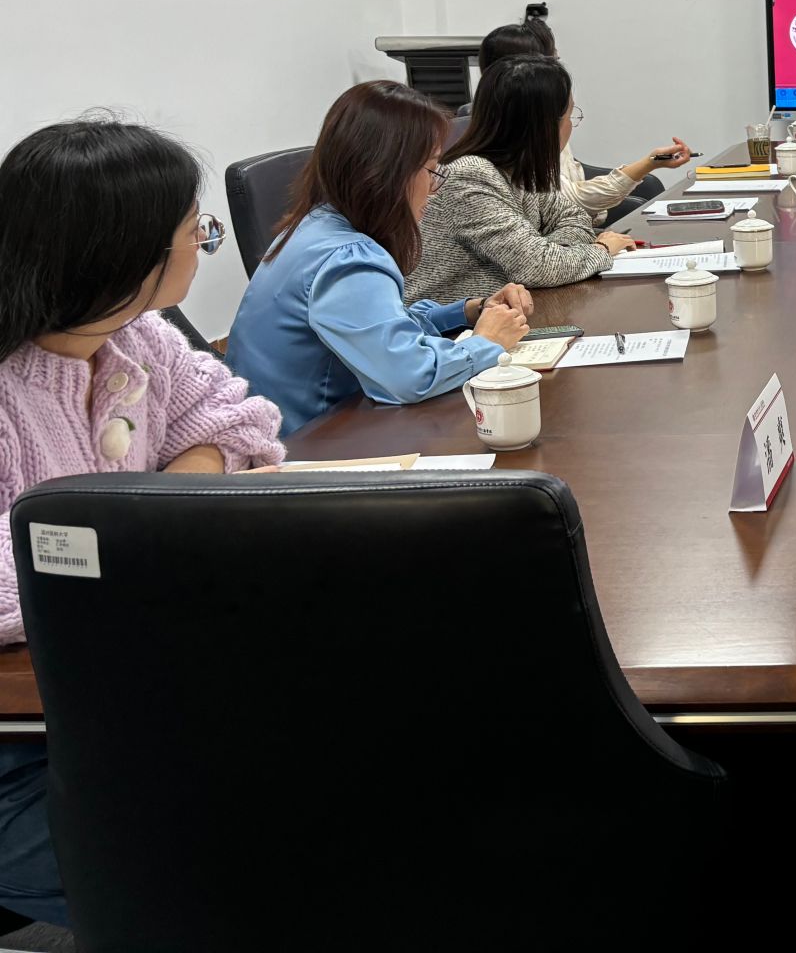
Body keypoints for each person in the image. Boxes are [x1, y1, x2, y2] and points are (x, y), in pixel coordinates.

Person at [0, 118, 287, 927]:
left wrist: (165, 507)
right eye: (197, 231)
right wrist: (148, 530)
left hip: (116, 707)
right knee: (239, 876)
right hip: (21, 750)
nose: (204, 244)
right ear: (125, 257)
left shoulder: (134, 339)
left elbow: (239, 421)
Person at [228, 81, 535, 435]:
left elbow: (382, 326)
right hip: (304, 447)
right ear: (389, 172)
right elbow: (410, 377)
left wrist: (468, 311)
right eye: (431, 170)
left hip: (289, 430)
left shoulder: (315, 226)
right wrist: (487, 343)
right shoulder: (347, 259)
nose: (434, 188)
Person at [406, 55, 631, 305]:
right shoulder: (470, 176)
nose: (571, 125)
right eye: (570, 115)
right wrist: (602, 249)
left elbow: (574, 219)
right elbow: (538, 267)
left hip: (516, 307)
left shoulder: (523, 171)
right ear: (545, 126)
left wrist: (546, 253)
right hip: (455, 322)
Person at [466, 16, 691, 230]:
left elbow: (562, 215)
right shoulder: (483, 173)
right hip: (565, 220)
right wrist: (602, 244)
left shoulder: (526, 134)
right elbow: (564, 210)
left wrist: (650, 163)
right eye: (552, 60)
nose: (558, 66)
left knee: (648, 188)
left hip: (566, 219)